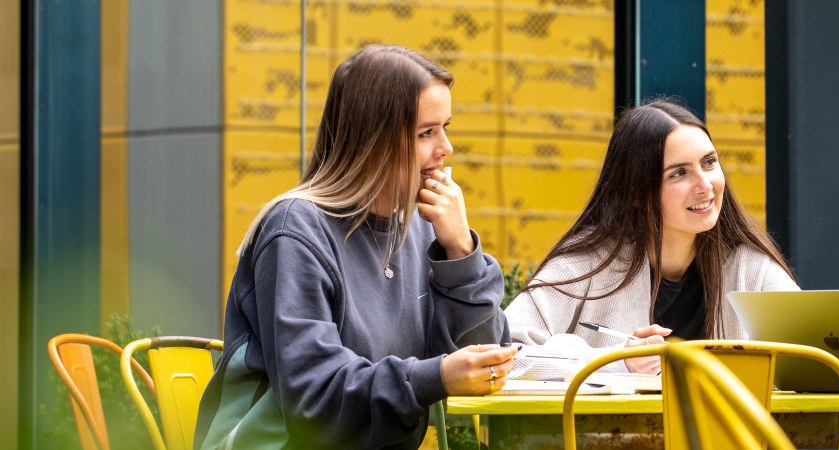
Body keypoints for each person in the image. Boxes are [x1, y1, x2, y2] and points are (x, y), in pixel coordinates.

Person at [193, 45, 518, 449]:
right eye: (425, 133)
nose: (446, 148)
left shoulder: (420, 228)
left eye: (445, 127)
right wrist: (435, 377)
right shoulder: (295, 230)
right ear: (372, 141)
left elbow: (480, 364)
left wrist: (460, 252)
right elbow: (315, 399)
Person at [504, 100, 798, 374]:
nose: (705, 185)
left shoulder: (750, 267)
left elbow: (818, 352)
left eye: (709, 163)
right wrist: (618, 362)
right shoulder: (587, 262)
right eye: (679, 173)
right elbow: (506, 355)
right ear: (637, 193)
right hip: (607, 431)